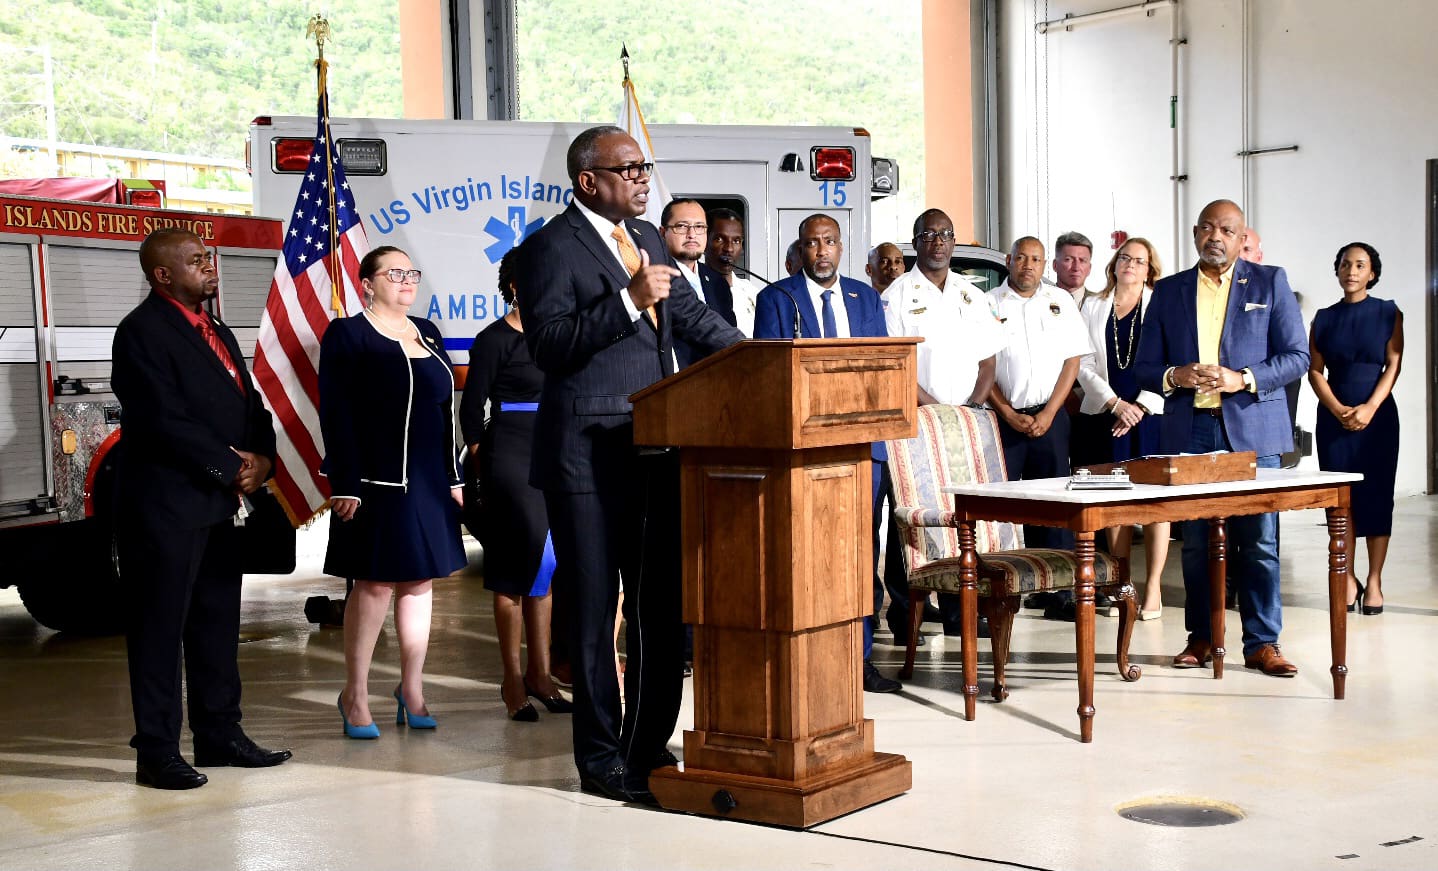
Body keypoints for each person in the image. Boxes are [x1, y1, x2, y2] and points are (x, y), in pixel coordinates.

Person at [516, 125, 743, 805]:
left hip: (653, 448)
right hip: (584, 454)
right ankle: (599, 753)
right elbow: (552, 347)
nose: (644, 179)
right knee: (592, 611)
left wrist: (757, 356)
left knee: (657, 607)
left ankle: (646, 740)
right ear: (589, 181)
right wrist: (625, 302)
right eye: (630, 169)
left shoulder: (646, 239)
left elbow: (695, 321)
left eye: (644, 168)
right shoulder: (547, 249)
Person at [113, 228, 291, 790]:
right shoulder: (140, 333)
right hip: (166, 507)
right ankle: (157, 752)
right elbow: (160, 417)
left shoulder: (213, 327)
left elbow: (248, 400)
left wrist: (263, 459)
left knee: (217, 623)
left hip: (217, 506)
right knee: (159, 631)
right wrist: (226, 464)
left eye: (208, 257)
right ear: (163, 275)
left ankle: (219, 734)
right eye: (196, 261)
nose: (210, 266)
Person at [1135, 199, 1308, 677]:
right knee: (1194, 542)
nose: (1216, 236)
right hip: (1189, 429)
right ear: (1195, 234)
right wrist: (1175, 374)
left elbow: (1297, 356)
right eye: (1208, 228)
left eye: (1227, 230)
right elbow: (1144, 367)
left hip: (1252, 431)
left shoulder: (1270, 282)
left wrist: (1243, 378)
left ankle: (1262, 643)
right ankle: (1202, 637)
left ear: (1240, 237)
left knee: (1258, 540)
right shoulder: (1168, 292)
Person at [320, 245, 467, 737]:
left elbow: (443, 411)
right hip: (373, 482)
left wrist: (453, 477)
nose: (407, 281)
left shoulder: (427, 332)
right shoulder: (348, 334)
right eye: (395, 273)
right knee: (375, 584)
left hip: (427, 480)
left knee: (420, 583)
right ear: (367, 282)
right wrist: (344, 483)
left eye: (412, 273)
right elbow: (336, 413)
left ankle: (411, 688)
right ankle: (355, 694)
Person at [753, 213, 902, 693]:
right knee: (807, 556)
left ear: (841, 248)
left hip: (862, 450)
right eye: (813, 243)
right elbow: (771, 374)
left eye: (830, 242)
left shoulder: (866, 297)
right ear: (801, 251)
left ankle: (859, 659)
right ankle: (807, 659)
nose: (822, 251)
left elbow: (880, 368)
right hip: (804, 451)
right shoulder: (777, 299)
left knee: (859, 555)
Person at [881, 208, 1006, 641]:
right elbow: (898, 364)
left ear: (954, 243)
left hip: (965, 424)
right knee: (911, 517)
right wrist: (933, 409)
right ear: (915, 242)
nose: (938, 241)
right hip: (917, 424)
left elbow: (988, 359)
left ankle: (959, 612)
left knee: (960, 520)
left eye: (946, 234)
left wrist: (973, 404)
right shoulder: (897, 294)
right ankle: (904, 618)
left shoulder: (972, 295)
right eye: (929, 234)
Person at [460, 249, 572, 721]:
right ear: (513, 287)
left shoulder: (559, 334)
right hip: (509, 453)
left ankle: (541, 675)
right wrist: (484, 463)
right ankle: (511, 679)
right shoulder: (494, 339)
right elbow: (471, 411)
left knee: (545, 567)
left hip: (557, 450)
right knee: (513, 569)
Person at [1075, 237, 1169, 619]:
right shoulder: (1093, 306)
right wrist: (1116, 404)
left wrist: (1141, 406)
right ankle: (1121, 584)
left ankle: (1154, 589)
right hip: (1108, 412)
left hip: (1152, 413)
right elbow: (1081, 362)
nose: (1131, 264)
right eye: (1125, 257)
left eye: (1140, 260)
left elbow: (1173, 359)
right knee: (1116, 501)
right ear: (1114, 264)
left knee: (1155, 504)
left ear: (1150, 270)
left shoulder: (1160, 305)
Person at [1308, 242, 1402, 616]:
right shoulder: (1323, 318)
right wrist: (1337, 408)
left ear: (1372, 273)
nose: (1351, 270)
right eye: (1345, 264)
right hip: (1334, 417)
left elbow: (1393, 363)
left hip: (1378, 417)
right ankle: (1347, 579)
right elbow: (1315, 370)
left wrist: (1370, 407)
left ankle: (1374, 580)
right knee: (1340, 500)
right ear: (1337, 270)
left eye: (1360, 265)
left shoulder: (1388, 312)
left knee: (1378, 496)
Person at [988, 236, 1090, 550]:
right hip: (1004, 419)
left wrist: (1048, 413)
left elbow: (1072, 360)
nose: (1028, 266)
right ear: (1009, 260)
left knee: (1055, 500)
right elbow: (982, 366)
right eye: (1021, 258)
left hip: (1051, 416)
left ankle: (1058, 591)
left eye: (1035, 259)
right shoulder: (989, 303)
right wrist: (1007, 412)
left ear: (1044, 265)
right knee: (1005, 504)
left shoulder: (1060, 300)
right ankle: (1009, 581)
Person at [661, 198, 736, 366]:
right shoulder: (658, 276)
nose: (692, 234)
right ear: (662, 233)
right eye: (681, 226)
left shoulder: (718, 282)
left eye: (699, 227)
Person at [704, 207, 761, 337]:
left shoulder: (751, 292)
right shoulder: (693, 289)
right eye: (719, 239)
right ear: (705, 242)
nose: (729, 248)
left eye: (736, 241)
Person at [1052, 231, 1094, 307]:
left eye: (1082, 260)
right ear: (1055, 265)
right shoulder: (1038, 302)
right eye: (1068, 259)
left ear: (1089, 268)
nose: (1076, 268)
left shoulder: (1104, 305)